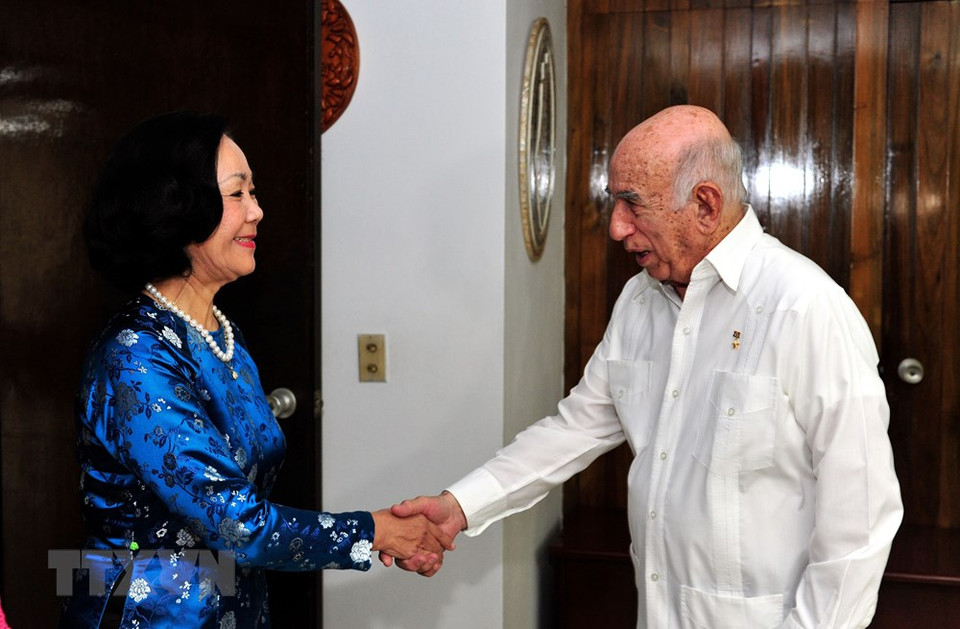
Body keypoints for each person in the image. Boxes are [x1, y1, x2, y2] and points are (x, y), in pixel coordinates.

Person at [386, 105, 903, 627]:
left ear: (705, 204)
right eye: (615, 203)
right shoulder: (639, 300)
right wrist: (461, 506)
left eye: (632, 204)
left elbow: (860, 519)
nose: (615, 227)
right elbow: (575, 429)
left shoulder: (805, 306)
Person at [61, 112, 452, 627]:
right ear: (177, 209)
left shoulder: (221, 334)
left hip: (232, 607)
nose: (258, 212)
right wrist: (375, 531)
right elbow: (237, 525)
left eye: (255, 193)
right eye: (237, 194)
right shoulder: (135, 353)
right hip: (146, 615)